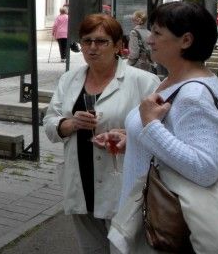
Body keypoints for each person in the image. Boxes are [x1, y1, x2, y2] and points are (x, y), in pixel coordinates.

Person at [101, 2, 218, 238]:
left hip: (161, 226)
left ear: (186, 41)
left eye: (157, 33)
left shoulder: (194, 95)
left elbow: (205, 169)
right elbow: (175, 138)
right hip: (150, 216)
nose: (149, 40)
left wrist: (151, 127)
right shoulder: (177, 80)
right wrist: (134, 140)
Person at [43, 13, 159, 254]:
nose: (92, 47)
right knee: (91, 250)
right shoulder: (70, 79)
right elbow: (50, 122)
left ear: (118, 46)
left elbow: (159, 133)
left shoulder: (143, 81)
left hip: (123, 186)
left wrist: (129, 136)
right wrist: (70, 123)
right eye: (86, 41)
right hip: (81, 184)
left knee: (124, 249)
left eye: (101, 41)